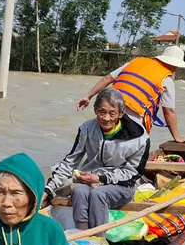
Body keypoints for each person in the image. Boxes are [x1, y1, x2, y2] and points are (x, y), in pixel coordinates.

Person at [44, 87, 150, 230]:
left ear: (121, 113)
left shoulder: (139, 137)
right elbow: (70, 161)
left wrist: (100, 179)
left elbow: (134, 173)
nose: (106, 118)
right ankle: (82, 235)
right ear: (95, 110)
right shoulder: (86, 129)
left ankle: (99, 240)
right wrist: (48, 189)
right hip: (89, 181)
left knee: (98, 194)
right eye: (102, 112)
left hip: (122, 185)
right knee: (79, 191)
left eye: (112, 113)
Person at [76, 45, 185, 144]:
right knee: (134, 147)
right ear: (174, 65)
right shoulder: (166, 79)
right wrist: (177, 137)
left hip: (109, 109)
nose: (176, 70)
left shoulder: (134, 62)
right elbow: (169, 111)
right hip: (132, 116)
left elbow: (107, 78)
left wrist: (88, 97)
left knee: (103, 143)